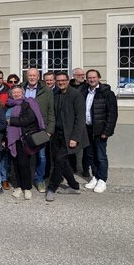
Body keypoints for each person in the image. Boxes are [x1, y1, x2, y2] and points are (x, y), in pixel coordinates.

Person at [45, 72, 89, 202]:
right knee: (61, 161)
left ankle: (52, 188)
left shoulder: (76, 95)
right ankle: (74, 186)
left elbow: (80, 118)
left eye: (63, 80)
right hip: (56, 134)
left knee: (59, 161)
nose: (61, 82)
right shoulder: (56, 94)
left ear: (68, 80)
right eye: (58, 80)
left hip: (70, 135)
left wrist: (75, 138)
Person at [81, 69, 118, 193]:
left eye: (94, 77)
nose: (91, 80)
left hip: (100, 129)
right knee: (90, 155)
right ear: (86, 79)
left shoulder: (107, 93)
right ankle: (95, 176)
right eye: (89, 78)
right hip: (87, 129)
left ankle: (102, 179)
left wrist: (107, 131)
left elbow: (112, 114)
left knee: (101, 155)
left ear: (99, 78)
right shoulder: (84, 91)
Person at [6, 86, 44, 200]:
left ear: (22, 93)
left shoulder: (27, 103)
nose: (16, 94)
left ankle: (27, 188)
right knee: (15, 164)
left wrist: (10, 121)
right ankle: (18, 186)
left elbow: (29, 119)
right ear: (11, 94)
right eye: (14, 92)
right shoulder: (8, 104)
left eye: (18, 92)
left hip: (23, 138)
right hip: (12, 138)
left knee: (24, 164)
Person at [22, 68, 55, 193]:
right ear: (26, 76)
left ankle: (39, 179)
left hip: (41, 129)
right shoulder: (21, 88)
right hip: (24, 128)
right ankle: (25, 180)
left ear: (38, 76)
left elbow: (51, 111)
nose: (32, 77)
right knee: (25, 156)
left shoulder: (46, 91)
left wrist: (49, 130)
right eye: (29, 75)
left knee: (41, 157)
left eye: (34, 75)